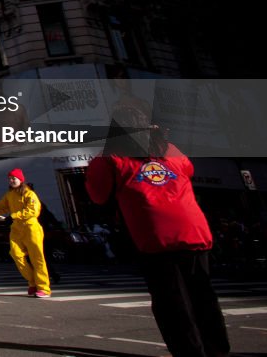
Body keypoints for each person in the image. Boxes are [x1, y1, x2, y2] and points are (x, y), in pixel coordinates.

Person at [86, 106, 230, 357]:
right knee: (203, 295)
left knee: (172, 301)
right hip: (193, 231)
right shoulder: (170, 150)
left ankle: (190, 352)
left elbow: (98, 195)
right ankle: (218, 351)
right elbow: (188, 170)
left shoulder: (111, 157)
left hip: (154, 237)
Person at [0, 168, 50, 297]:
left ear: (21, 180)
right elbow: (1, 206)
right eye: (10, 178)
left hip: (31, 228)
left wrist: (14, 216)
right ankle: (32, 282)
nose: (11, 180)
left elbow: (33, 211)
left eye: (14, 178)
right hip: (16, 229)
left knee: (37, 258)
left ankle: (44, 288)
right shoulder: (9, 195)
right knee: (15, 254)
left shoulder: (30, 194)